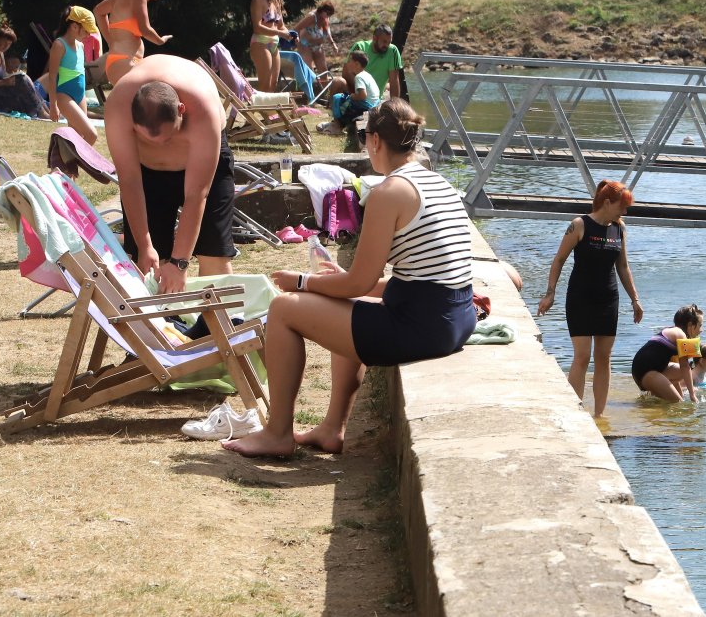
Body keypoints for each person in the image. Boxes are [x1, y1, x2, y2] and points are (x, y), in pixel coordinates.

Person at [224, 99, 476, 458]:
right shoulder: (439, 184)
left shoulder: (389, 192)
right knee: (346, 303)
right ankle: (331, 429)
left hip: (423, 329)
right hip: (455, 320)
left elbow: (359, 283)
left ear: (374, 140)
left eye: (364, 140)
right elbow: (421, 281)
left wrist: (303, 282)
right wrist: (340, 283)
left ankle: (277, 433)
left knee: (283, 309)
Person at [103, 55, 236, 295]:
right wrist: (145, 246)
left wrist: (180, 262)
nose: (162, 147)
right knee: (147, 263)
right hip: (147, 175)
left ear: (181, 110)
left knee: (214, 254)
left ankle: (218, 318)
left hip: (205, 172)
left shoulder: (202, 107)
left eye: (169, 138)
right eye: (147, 140)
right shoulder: (118, 106)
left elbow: (197, 194)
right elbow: (130, 181)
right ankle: (163, 319)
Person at [537, 180, 643, 417]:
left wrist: (635, 299)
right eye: (622, 206)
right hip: (580, 298)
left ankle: (599, 416)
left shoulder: (620, 229)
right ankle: (575, 413)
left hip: (608, 299)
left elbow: (623, 267)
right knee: (582, 356)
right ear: (607, 203)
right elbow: (559, 260)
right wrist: (550, 293)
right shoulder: (579, 225)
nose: (624, 212)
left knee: (604, 357)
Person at [93, 0, 173, 85]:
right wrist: (160, 41)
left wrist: (111, 41)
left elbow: (98, 11)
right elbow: (145, 29)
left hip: (122, 62)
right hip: (125, 63)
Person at [45, 6, 98, 144]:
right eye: (86, 30)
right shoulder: (59, 45)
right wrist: (53, 105)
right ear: (74, 26)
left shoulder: (80, 46)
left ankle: (66, 158)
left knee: (76, 139)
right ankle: (74, 156)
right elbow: (52, 76)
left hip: (80, 96)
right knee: (91, 134)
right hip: (65, 97)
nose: (88, 35)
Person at [630, 304, 705, 403]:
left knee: (683, 378)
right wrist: (692, 395)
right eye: (700, 325)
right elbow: (685, 366)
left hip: (642, 369)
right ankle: (654, 393)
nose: (701, 330)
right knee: (677, 403)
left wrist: (680, 395)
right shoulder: (680, 334)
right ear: (690, 325)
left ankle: (655, 393)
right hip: (646, 372)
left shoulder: (674, 331)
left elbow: (682, 370)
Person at [0, 25, 48, 119]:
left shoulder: (0, 54)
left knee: (24, 78)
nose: (6, 46)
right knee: (22, 79)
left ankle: (46, 110)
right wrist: (4, 82)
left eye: (9, 44)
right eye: (4, 42)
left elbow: (2, 77)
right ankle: (42, 113)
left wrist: (12, 74)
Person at [320, 51, 380, 136]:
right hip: (374, 105)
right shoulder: (367, 75)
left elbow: (363, 95)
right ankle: (337, 123)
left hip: (366, 106)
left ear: (357, 64)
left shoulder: (359, 77)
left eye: (349, 61)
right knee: (345, 100)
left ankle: (336, 125)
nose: (347, 63)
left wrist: (353, 96)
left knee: (338, 98)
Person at [249, 0, 289, 93]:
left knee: (273, 83)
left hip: (274, 44)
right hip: (260, 43)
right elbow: (257, 27)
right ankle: (260, 105)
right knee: (265, 84)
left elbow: (281, 26)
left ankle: (269, 106)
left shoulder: (276, 0)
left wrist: (291, 34)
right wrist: (280, 33)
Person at [349, 24, 403, 98]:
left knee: (389, 86)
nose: (387, 45)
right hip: (354, 94)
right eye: (384, 42)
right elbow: (346, 73)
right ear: (374, 38)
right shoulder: (360, 47)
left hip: (374, 98)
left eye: (389, 42)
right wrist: (361, 90)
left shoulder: (393, 51)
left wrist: (394, 103)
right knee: (338, 82)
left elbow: (394, 81)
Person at [294, 0, 338, 74]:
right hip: (305, 44)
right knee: (309, 70)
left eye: (330, 15)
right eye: (328, 14)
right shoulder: (312, 17)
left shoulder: (325, 18)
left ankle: (323, 82)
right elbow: (297, 28)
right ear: (323, 10)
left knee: (323, 70)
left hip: (317, 46)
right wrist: (296, 42)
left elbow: (327, 32)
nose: (328, 16)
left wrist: (333, 44)